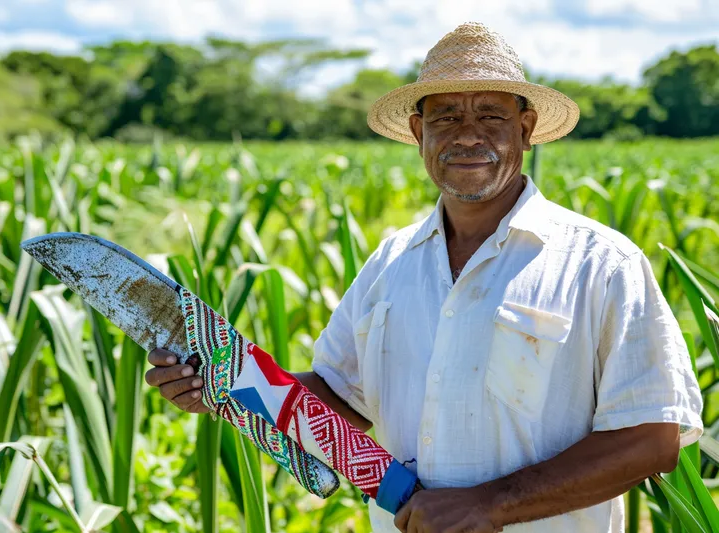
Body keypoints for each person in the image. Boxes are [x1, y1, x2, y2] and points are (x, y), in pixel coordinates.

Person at [144, 22, 703, 533]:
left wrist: (490, 504)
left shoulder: (600, 263)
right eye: (445, 117)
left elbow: (652, 441)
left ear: (527, 128)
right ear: (417, 131)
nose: (467, 136)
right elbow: (339, 400)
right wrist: (229, 390)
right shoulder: (390, 263)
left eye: (490, 115)